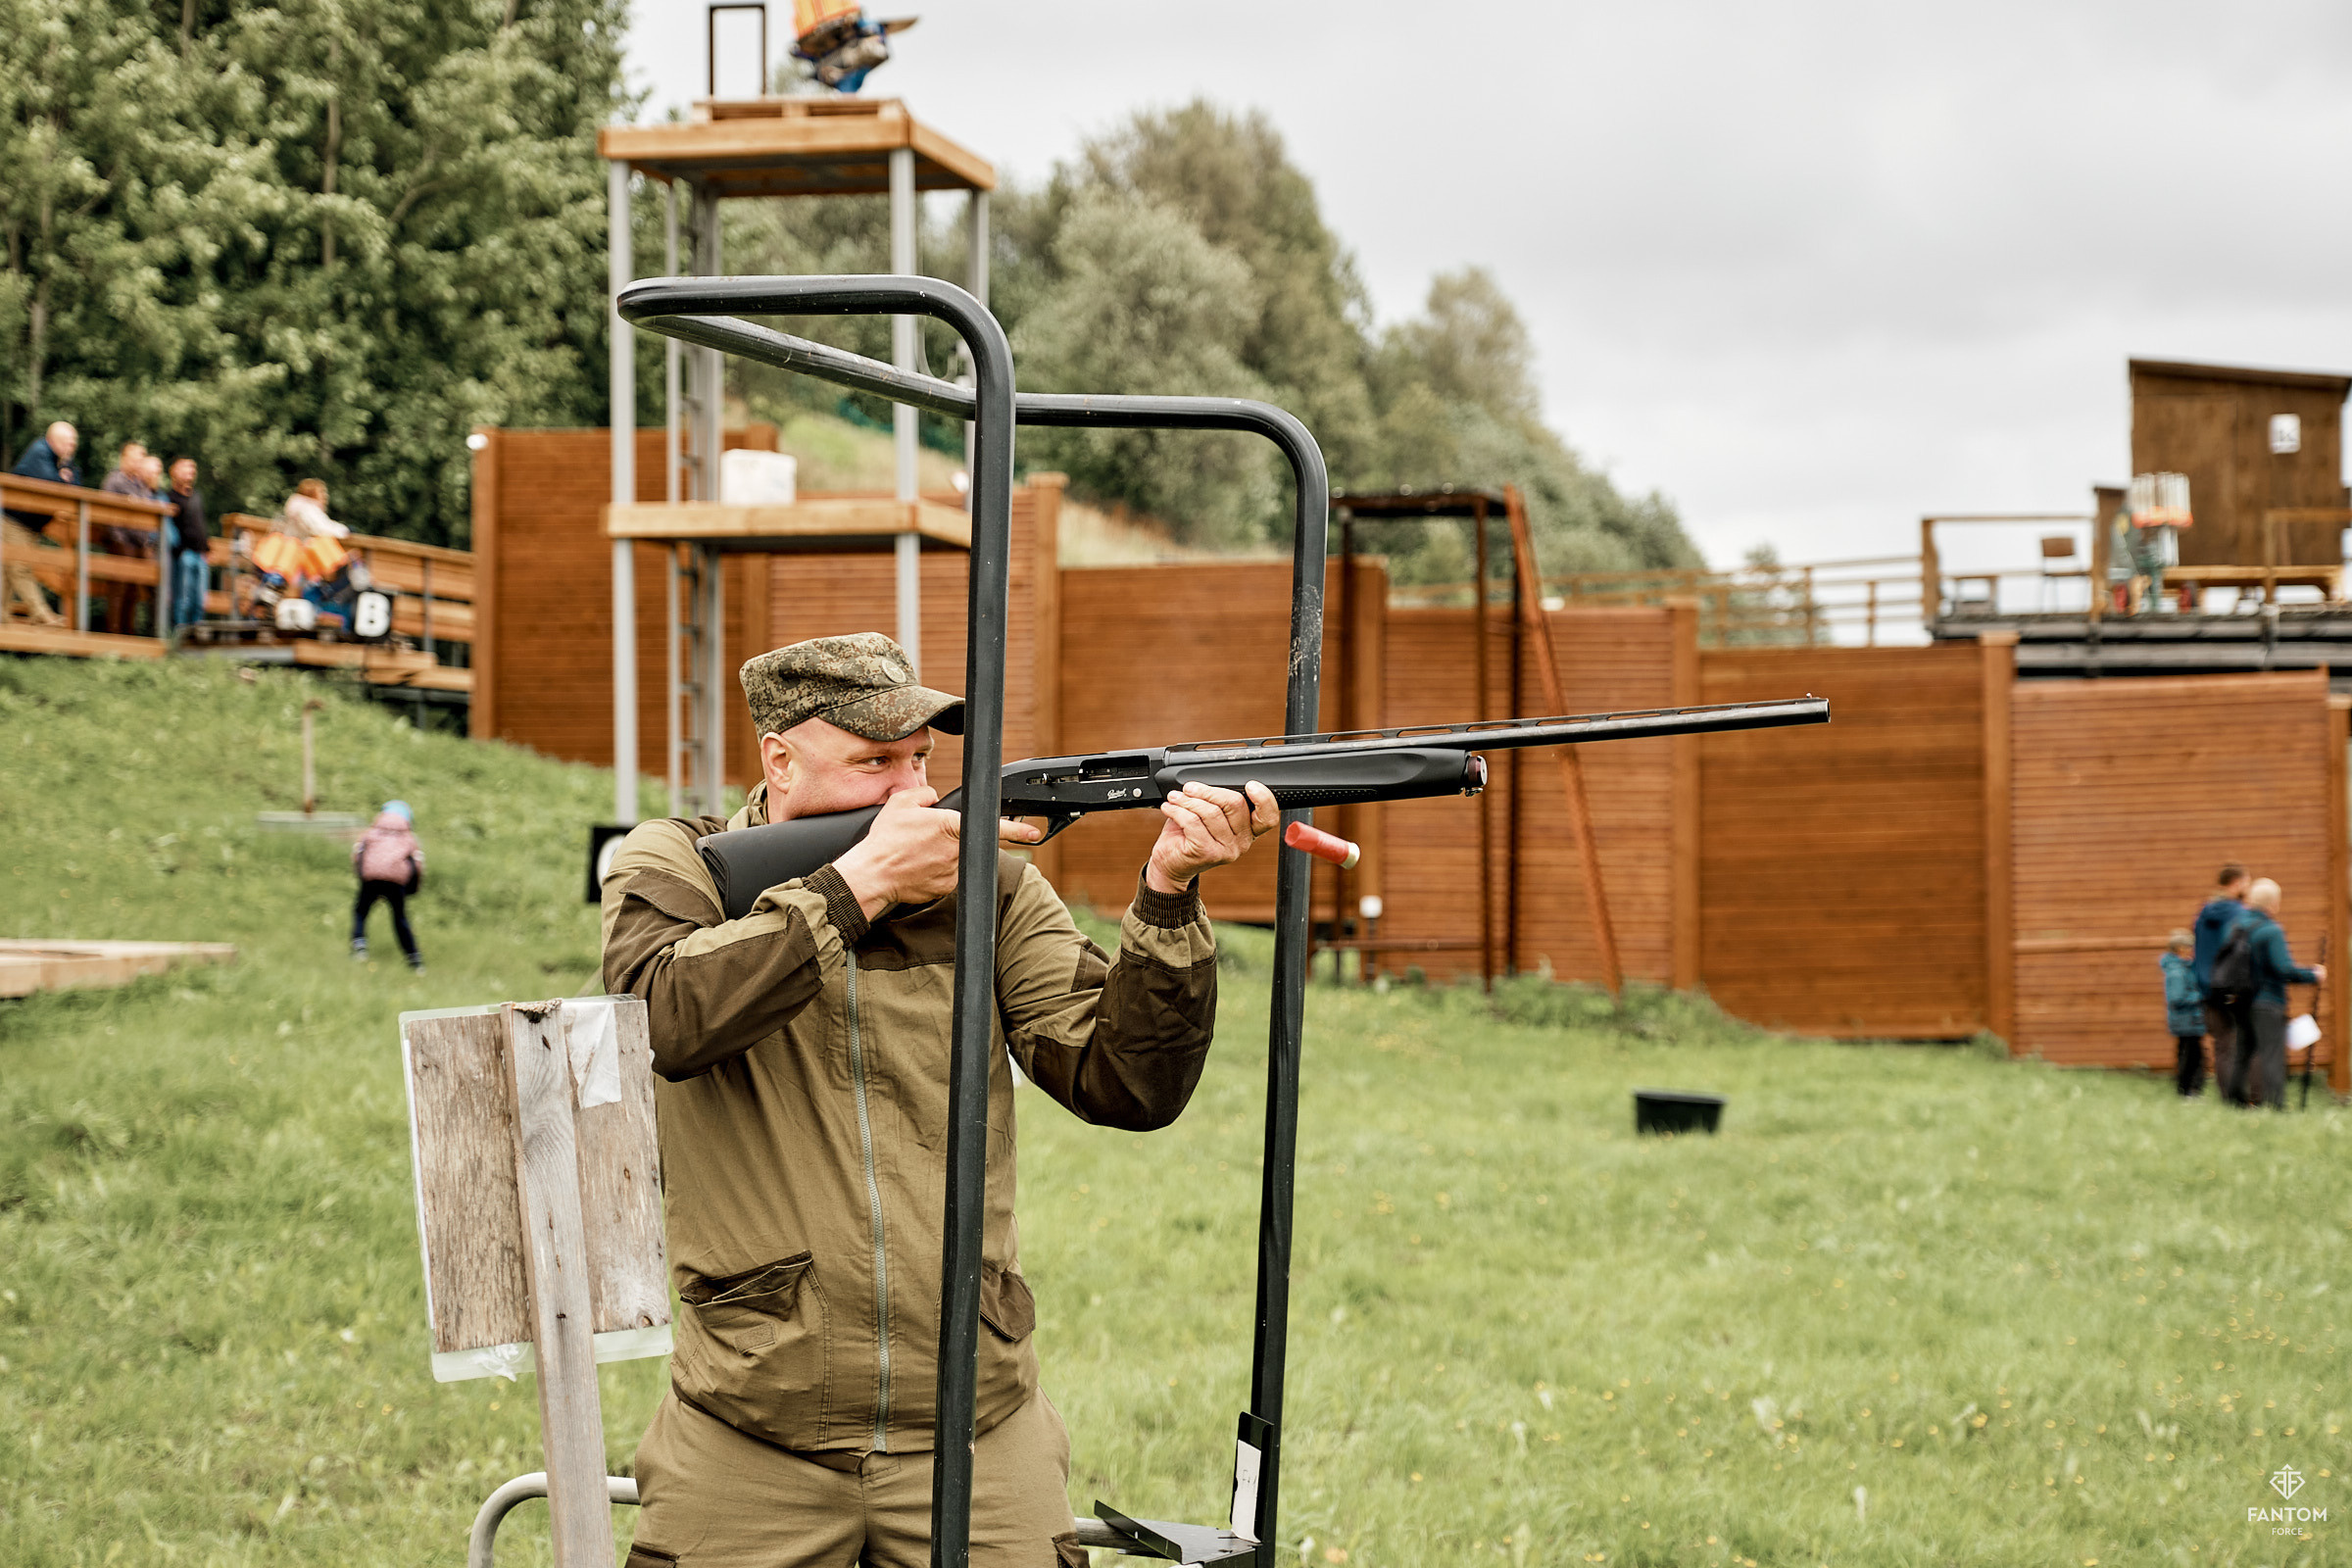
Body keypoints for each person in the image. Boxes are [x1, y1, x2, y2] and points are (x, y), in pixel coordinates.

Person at [599, 632, 1278, 1568]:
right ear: (779, 759)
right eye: (875, 762)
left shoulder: (992, 888)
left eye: (920, 760)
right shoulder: (683, 865)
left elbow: (1125, 1083)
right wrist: (858, 889)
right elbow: (658, 1019)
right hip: (750, 1430)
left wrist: (1168, 892)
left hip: (976, 1423)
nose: (910, 792)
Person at [2219, 879, 2324, 1109]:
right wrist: (2312, 975)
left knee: (2243, 1052)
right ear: (2273, 903)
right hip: (2267, 1001)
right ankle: (2276, 1106)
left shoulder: (2235, 927)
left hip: (2240, 1000)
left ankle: (2235, 1102)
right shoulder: (2270, 930)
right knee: (2272, 1054)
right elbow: (2283, 968)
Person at [4, 420, 76, 624]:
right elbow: (50, 481)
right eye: (67, 442)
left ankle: (1, 615)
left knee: (9, 570)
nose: (71, 446)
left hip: (29, 524)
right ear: (53, 439)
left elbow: (76, 484)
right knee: (19, 567)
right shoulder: (39, 451)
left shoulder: (62, 459)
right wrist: (63, 478)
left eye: (73, 442)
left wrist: (64, 475)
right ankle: (41, 614)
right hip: (13, 519)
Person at [2190, 863, 2249, 1100]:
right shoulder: (2237, 913)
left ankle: (2227, 1096)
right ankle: (2240, 1098)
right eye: (2247, 882)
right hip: (2229, 987)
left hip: (2205, 988)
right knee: (2238, 1042)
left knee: (2222, 1044)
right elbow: (2238, 950)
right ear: (2236, 883)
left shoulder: (2204, 913)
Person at [351, 801, 426, 972]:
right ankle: (414, 959)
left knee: (360, 911)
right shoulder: (408, 838)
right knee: (399, 918)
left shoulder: (371, 833)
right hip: (396, 881)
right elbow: (417, 862)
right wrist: (413, 887)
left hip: (371, 877)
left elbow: (357, 853)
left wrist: (360, 874)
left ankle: (359, 945)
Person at [97, 441, 154, 635]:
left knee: (134, 590)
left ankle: (129, 632)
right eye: (135, 459)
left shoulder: (140, 485)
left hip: (138, 544)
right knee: (118, 588)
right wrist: (118, 538)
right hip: (121, 543)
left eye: (141, 460)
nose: (138, 464)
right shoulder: (114, 481)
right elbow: (104, 509)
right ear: (124, 459)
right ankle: (113, 632)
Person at [164, 457, 210, 630]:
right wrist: (179, 549)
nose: (190, 472)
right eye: (185, 468)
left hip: (200, 554)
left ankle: (196, 632)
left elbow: (201, 524)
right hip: (183, 554)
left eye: (192, 468)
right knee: (182, 597)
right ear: (174, 472)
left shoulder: (197, 496)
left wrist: (206, 548)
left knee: (199, 598)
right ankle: (179, 632)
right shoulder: (169, 497)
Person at [2161, 929, 2204, 1097]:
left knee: (2191, 1055)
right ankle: (2187, 1090)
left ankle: (2189, 1089)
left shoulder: (2182, 968)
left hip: (2189, 1020)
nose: (2193, 951)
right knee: (2189, 1057)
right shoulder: (2177, 971)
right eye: (2190, 947)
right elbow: (2177, 998)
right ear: (2180, 949)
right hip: (2186, 1021)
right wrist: (2200, 996)